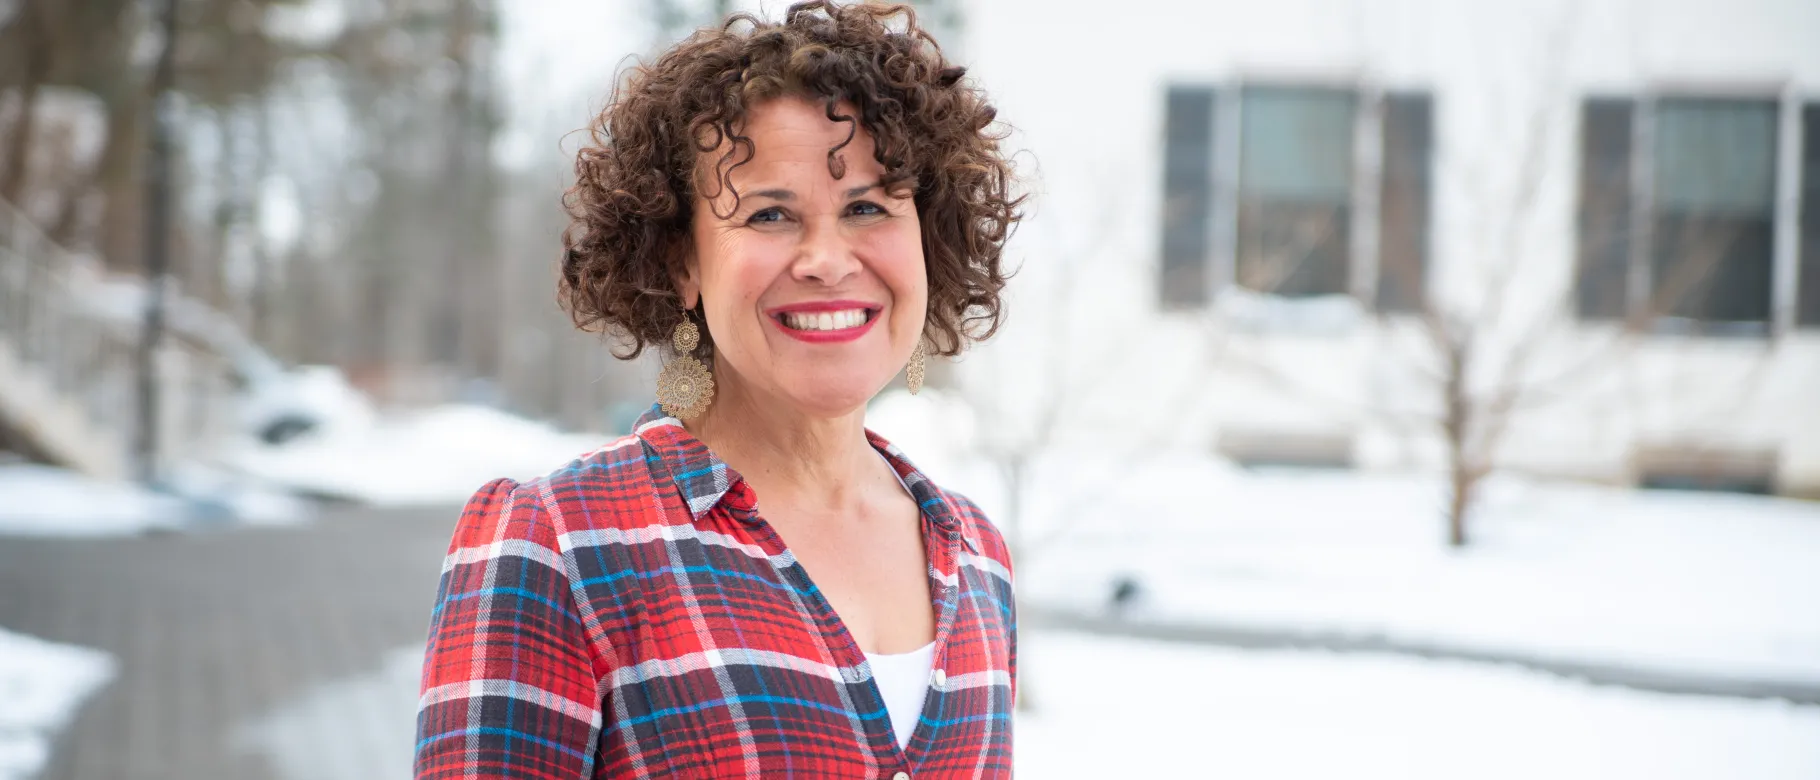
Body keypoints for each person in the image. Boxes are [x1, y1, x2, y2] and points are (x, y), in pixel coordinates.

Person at [413, 2, 1021, 777]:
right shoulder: (558, 547)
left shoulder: (977, 560)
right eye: (770, 214)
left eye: (867, 207)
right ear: (682, 263)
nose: (827, 260)